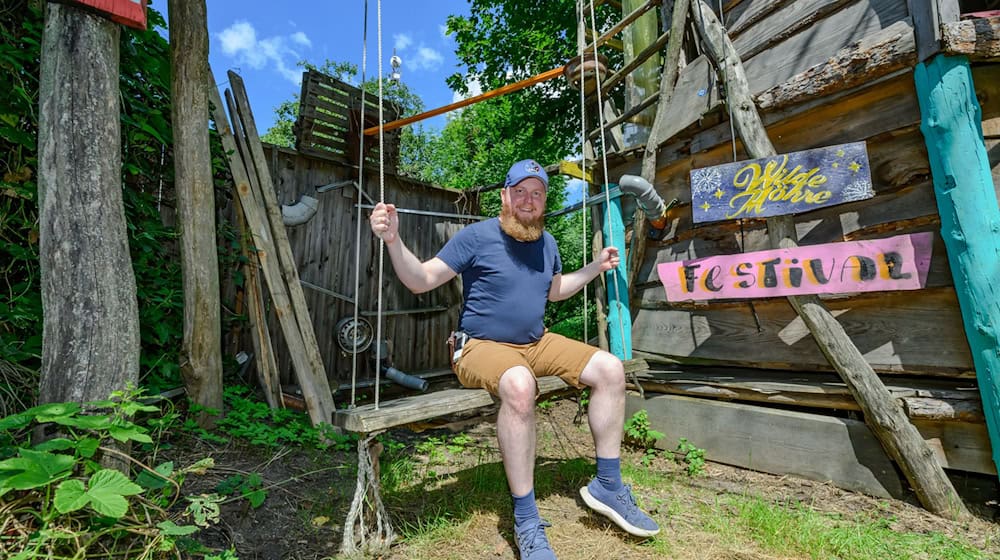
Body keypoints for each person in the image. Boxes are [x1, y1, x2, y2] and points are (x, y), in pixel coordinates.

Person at [369, 159, 659, 559]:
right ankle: (526, 518)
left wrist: (595, 267)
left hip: (534, 343)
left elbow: (555, 290)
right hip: (478, 347)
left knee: (610, 368)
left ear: (544, 201)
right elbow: (419, 280)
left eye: (537, 193)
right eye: (519, 191)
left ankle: (607, 486)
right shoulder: (477, 236)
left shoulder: (548, 244)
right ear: (504, 196)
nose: (528, 200)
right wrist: (393, 240)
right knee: (521, 385)